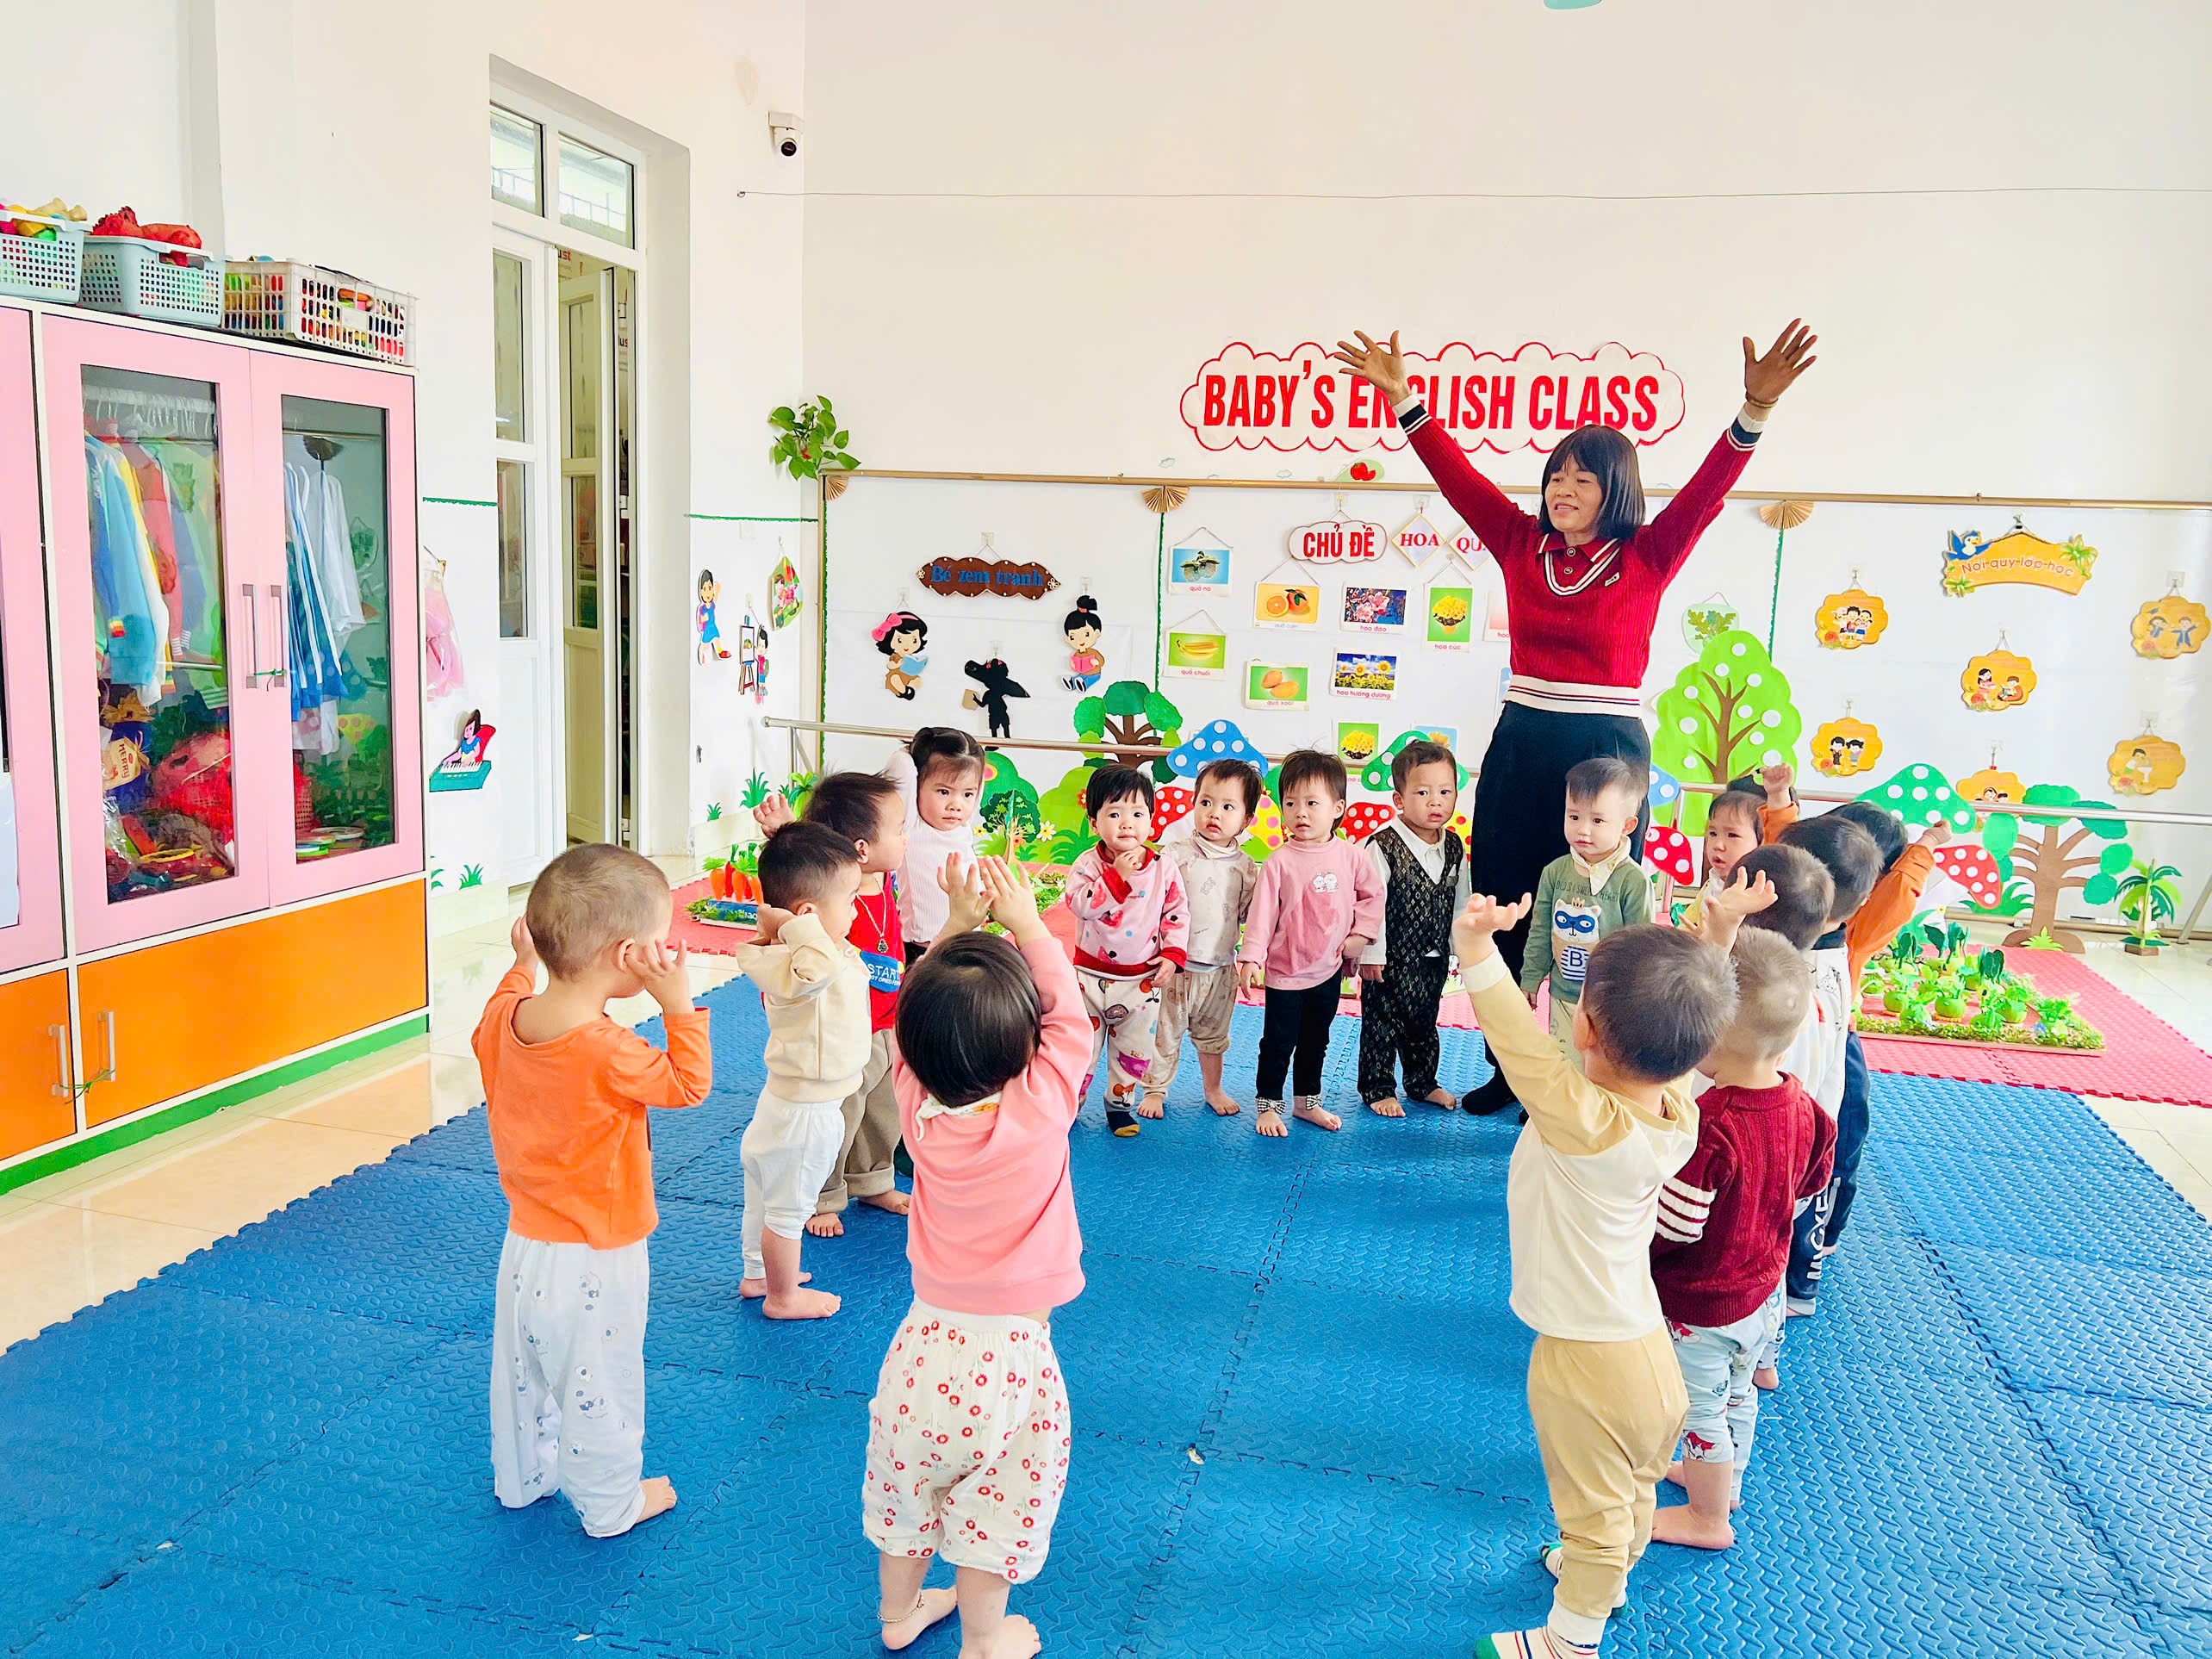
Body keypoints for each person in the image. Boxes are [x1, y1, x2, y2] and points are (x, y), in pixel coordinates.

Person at [1332, 321, 1817, 1120]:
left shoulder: (1648, 555)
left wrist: (1754, 410)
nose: (1562, 489)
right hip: (1524, 740)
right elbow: (1459, 481)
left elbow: (1706, 494)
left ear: (1614, 491)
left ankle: (1594, 1063)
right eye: (1556, 475)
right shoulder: (1520, 543)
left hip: (1608, 748)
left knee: (1604, 914)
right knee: (1504, 904)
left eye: (1582, 480)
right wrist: (1404, 401)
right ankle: (1510, 1067)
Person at [1451, 896, 1732, 1659]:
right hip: (1642, 1352)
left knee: (1593, 1513)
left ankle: (1572, 1639)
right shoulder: (1675, 1108)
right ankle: (1604, 1579)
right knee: (1628, 1490)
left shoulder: (1585, 1122)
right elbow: (1690, 1023)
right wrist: (1717, 941)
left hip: (1589, 1361)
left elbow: (1518, 1044)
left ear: (1583, 1030)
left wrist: (1475, 946)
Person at [863, 858, 1088, 1659]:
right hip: (1011, 1366)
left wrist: (956, 922)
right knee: (995, 1510)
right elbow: (1074, 1022)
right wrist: (1028, 924)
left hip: (919, 1352)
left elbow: (907, 1019)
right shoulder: (1041, 1108)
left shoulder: (915, 1108)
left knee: (908, 1496)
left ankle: (897, 1615)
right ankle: (986, 1639)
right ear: (1028, 1046)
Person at [473, 845, 712, 1538]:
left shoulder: (504, 1020)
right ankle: (611, 1506)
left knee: (522, 1377)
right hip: (598, 1256)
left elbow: (508, 991)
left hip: (525, 1246)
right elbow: (689, 1086)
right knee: (601, 1385)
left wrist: (524, 961)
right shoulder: (610, 1050)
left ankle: (522, 1479)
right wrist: (678, 1004)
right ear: (629, 955)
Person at [1650, 926, 1836, 1550]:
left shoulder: (1712, 1125)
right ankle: (1724, 1485)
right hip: (1765, 1291)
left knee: (1697, 1412)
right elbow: (1812, 1180)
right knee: (1736, 1393)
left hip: (1703, 1305)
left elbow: (1676, 1229)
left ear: (1709, 1034)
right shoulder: (1804, 1105)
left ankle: (1707, 1518)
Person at [1786, 802, 1952, 1313]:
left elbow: (1899, 894)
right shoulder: (1792, 908)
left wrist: (1926, 848)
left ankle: (1815, 1251)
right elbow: (1784, 851)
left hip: (1832, 1050)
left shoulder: (1856, 929)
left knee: (1833, 1149)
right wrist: (1778, 801)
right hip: (1790, 1051)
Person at [755, 772, 915, 1240]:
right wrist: (789, 837)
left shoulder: (882, 878)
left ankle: (873, 1179)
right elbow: (795, 888)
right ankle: (823, 1195)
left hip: (886, 1022)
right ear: (863, 849)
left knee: (883, 1112)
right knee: (840, 1116)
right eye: (899, 829)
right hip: (844, 1033)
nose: (906, 838)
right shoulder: (830, 899)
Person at [726, 823, 871, 1321]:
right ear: (807, 917)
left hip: (783, 1104)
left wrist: (788, 928)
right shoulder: (807, 965)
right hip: (808, 1113)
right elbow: (823, 968)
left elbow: (835, 962)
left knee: (764, 1201)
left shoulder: (793, 956)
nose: (856, 911)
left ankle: (758, 1275)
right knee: (787, 1213)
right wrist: (794, 926)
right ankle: (782, 1296)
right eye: (850, 900)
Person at [1236, 749, 1384, 1137]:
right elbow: (1262, 916)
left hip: (1328, 970)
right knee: (1278, 1042)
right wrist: (1251, 958)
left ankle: (1306, 1102)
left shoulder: (1352, 857)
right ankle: (1269, 1105)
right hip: (1285, 973)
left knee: (1316, 1041)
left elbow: (1373, 897)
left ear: (1337, 808)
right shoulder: (1278, 862)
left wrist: (1360, 936)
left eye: (1312, 803)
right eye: (1291, 803)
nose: (1300, 813)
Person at [1061, 766, 1190, 1136]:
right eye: (1114, 814)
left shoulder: (1163, 867)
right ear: (1094, 822)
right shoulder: (1088, 864)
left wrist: (1172, 955)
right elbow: (1079, 904)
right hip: (1089, 980)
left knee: (1135, 1052)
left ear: (1151, 820)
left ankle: (1119, 1107)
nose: (1127, 823)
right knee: (1080, 1050)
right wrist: (1115, 876)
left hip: (1141, 983)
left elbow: (1176, 913)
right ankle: (1069, 1106)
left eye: (1137, 813)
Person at [1516, 757, 1653, 1080]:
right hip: (1564, 993)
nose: (1582, 829)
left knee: (1604, 1069)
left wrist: (1634, 1000)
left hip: (1610, 1001)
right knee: (1564, 1062)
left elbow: (1642, 948)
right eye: (1574, 816)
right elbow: (1541, 930)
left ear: (1627, 826)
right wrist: (1531, 979)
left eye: (1598, 820)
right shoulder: (1555, 872)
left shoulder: (1633, 881)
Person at [1358, 739, 1472, 1116]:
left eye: (1445, 792)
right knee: (1382, 1023)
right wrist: (1371, 953)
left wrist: (1463, 950)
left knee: (1424, 1021)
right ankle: (1377, 1087)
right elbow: (1370, 904)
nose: (1435, 802)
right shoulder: (1383, 846)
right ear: (1399, 799)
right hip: (1390, 958)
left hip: (1433, 958)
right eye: (1423, 793)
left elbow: (1461, 900)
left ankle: (1423, 1082)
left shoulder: (1454, 846)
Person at [1144, 756, 1262, 1120]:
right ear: (1194, 803)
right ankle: (1155, 1090)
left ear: (1246, 819)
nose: (1214, 814)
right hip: (1174, 968)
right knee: (1164, 1034)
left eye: (1228, 807)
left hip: (1220, 970)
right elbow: (1152, 901)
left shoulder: (1246, 867)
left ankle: (1213, 1088)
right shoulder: (1174, 855)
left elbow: (1252, 915)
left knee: (1214, 1038)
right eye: (1206, 802)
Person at [885, 727, 985, 963]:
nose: (956, 805)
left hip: (968, 941)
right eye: (944, 792)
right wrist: (917, 750)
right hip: (924, 948)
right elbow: (900, 765)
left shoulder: (963, 826)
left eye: (967, 795)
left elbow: (976, 782)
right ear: (917, 786)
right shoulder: (911, 825)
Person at [1681, 764, 1798, 930]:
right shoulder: (1713, 881)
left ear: (1762, 840)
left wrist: (1778, 794)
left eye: (1732, 835)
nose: (1718, 845)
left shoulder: (1760, 885)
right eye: (1713, 833)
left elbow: (1781, 832)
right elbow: (1689, 924)